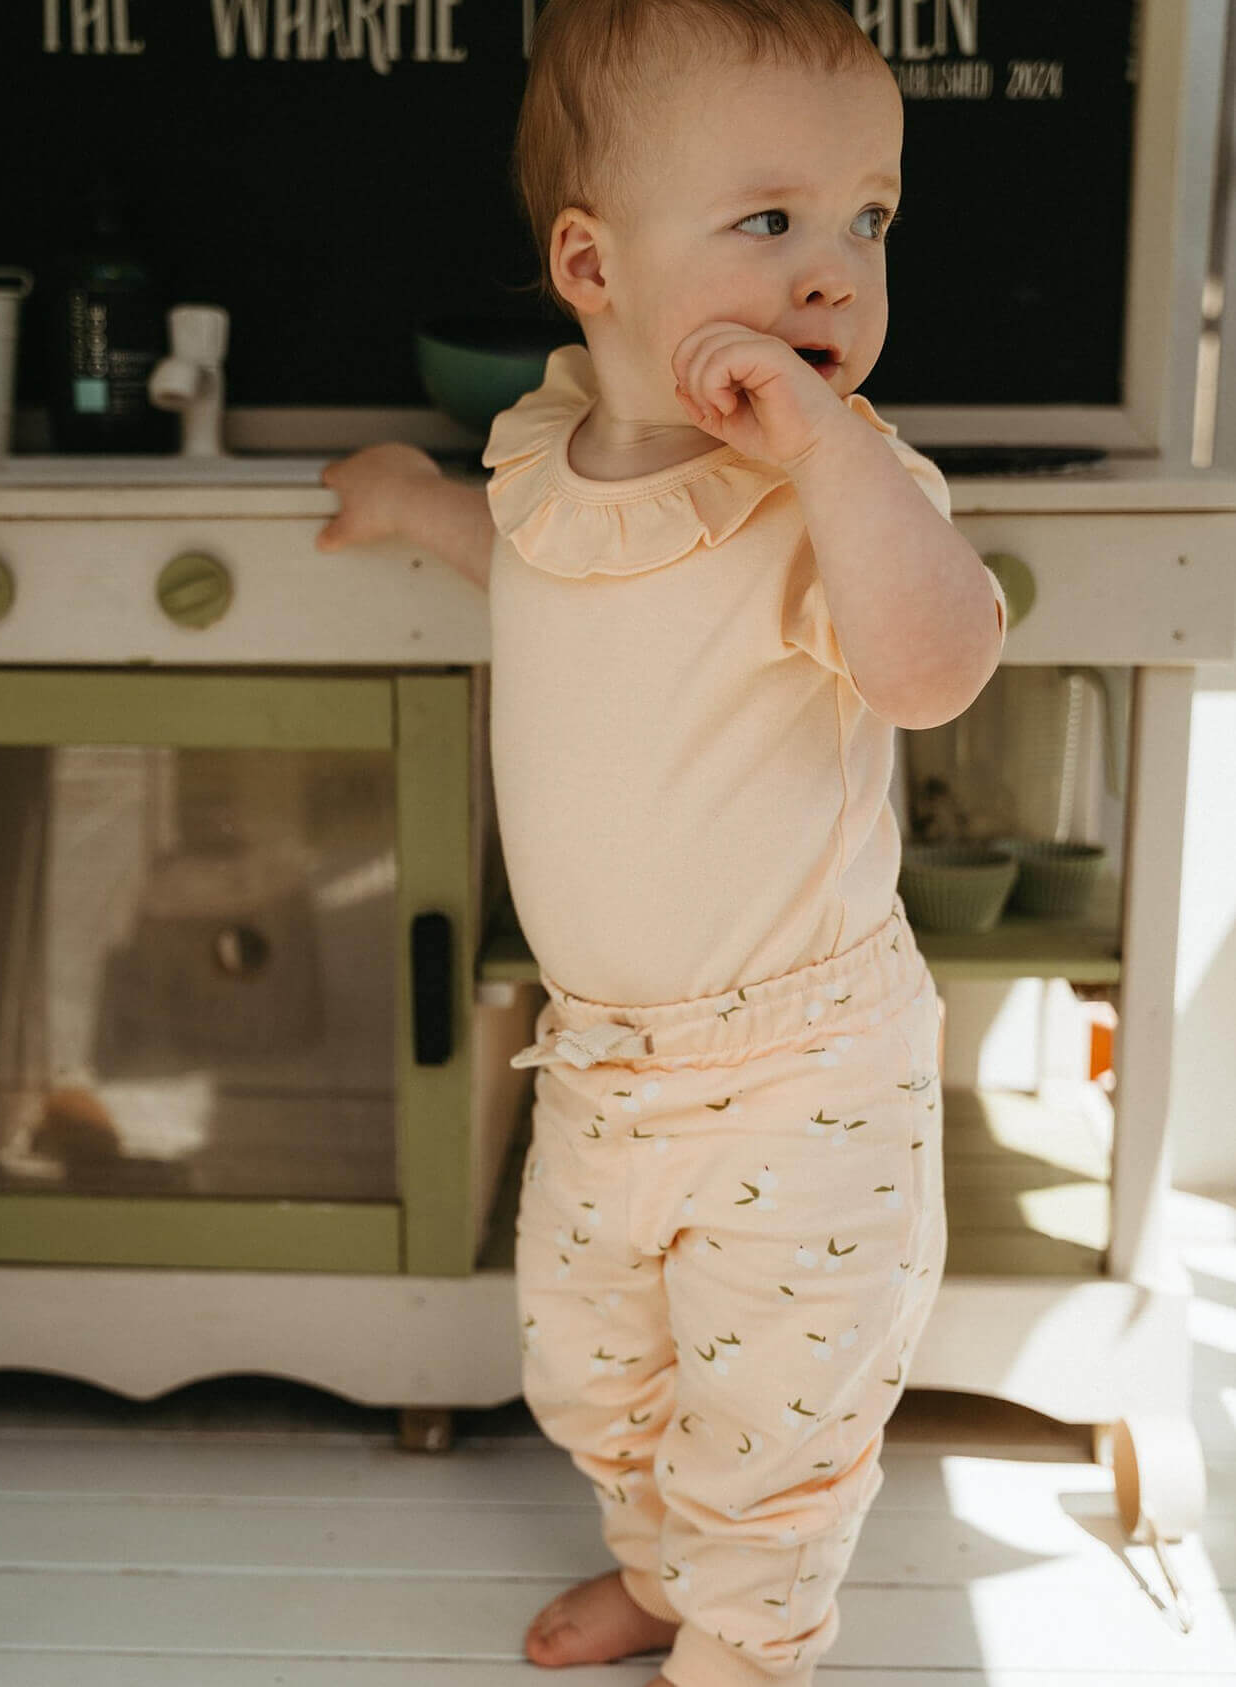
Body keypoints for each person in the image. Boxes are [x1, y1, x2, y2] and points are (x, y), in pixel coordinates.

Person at [317, 3, 1007, 1683]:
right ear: (592, 265)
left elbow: (932, 669)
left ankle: (749, 1647)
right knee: (596, 1373)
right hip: (601, 1062)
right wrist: (415, 504)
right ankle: (662, 1569)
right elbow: (548, 587)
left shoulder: (834, 496)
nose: (834, 272)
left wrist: (831, 456)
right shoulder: (553, 466)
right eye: (770, 220)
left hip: (802, 1071)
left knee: (776, 1409)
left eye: (869, 219)